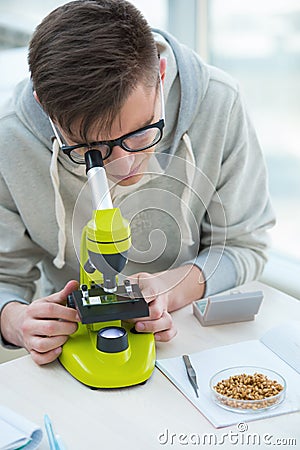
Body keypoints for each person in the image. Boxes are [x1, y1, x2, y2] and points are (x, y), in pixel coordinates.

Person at [0, 0, 275, 365]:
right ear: (45, 106)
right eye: (91, 148)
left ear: (160, 75)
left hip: (192, 339)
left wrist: (170, 288)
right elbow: (6, 276)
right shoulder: (10, 139)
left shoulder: (219, 102)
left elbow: (245, 245)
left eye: (140, 134)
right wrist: (17, 321)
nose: (122, 166)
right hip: (74, 348)